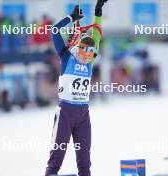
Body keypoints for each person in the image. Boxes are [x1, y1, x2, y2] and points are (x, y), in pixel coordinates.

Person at [45, 0, 108, 176]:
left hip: (83, 115)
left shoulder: (90, 59)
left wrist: (98, 11)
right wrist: (70, 18)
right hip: (65, 113)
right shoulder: (66, 57)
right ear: (78, 48)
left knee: (85, 164)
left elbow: (97, 35)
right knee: (55, 162)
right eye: (85, 51)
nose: (88, 56)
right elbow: (54, 31)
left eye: (91, 52)